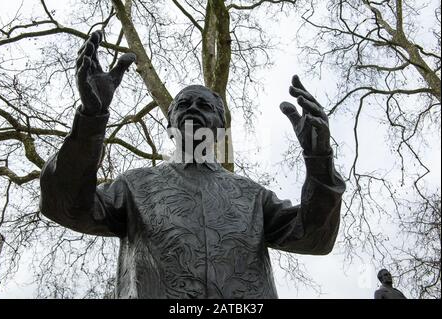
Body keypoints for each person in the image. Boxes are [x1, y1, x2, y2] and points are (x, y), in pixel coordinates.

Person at [39, 30, 346, 298]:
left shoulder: (251, 195)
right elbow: (65, 205)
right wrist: (91, 117)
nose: (193, 110)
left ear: (221, 126)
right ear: (170, 124)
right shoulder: (135, 186)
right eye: (183, 105)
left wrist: (319, 159)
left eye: (205, 106)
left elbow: (314, 238)